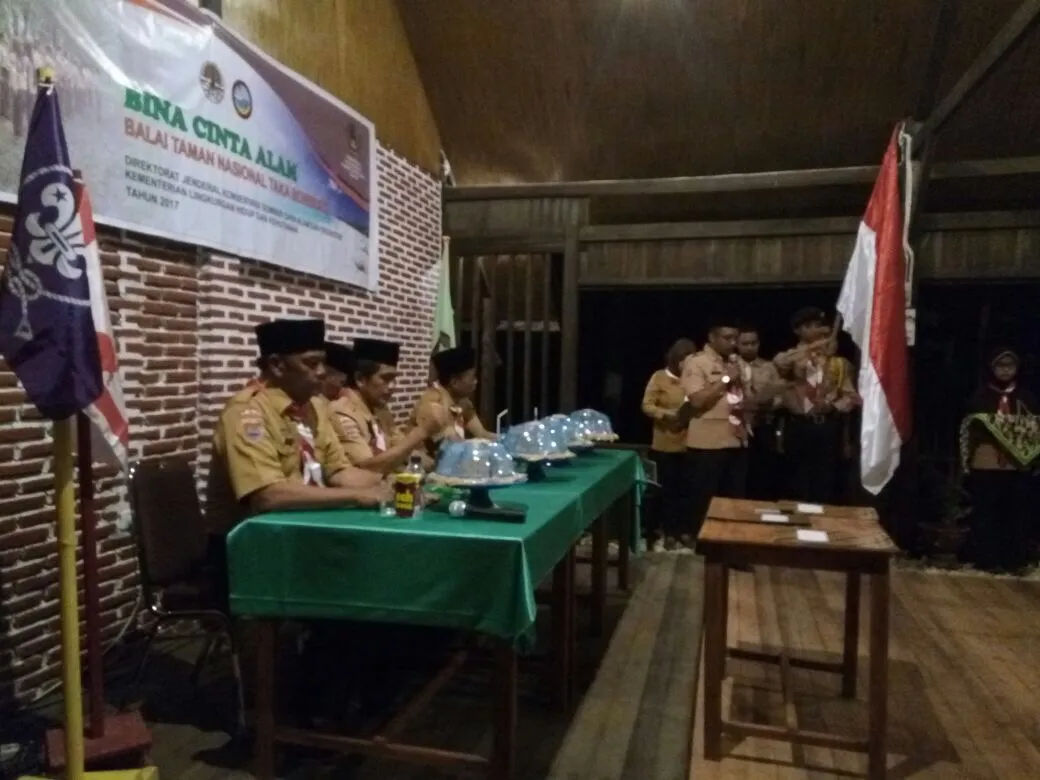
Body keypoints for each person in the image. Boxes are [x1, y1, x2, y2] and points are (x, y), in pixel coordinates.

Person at [205, 320, 386, 600]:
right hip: (249, 550)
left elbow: (338, 472)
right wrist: (358, 496)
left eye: (322, 362)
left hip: (299, 536)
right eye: (311, 363)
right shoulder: (246, 413)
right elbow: (268, 496)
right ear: (277, 365)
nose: (322, 372)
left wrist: (392, 484)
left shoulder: (314, 407)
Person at [964, 347, 1038, 573]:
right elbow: (970, 428)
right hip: (987, 461)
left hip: (1017, 464)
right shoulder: (980, 397)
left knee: (1015, 511)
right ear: (992, 368)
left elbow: (1034, 430)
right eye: (1001, 366)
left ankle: (1013, 559)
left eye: (1010, 366)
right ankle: (986, 559)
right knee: (987, 510)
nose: (1005, 370)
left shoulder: (1027, 398)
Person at [774, 307, 859, 504]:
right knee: (797, 480)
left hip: (826, 426)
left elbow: (851, 397)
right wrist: (815, 346)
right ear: (798, 330)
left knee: (824, 481)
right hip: (798, 424)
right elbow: (780, 362)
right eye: (809, 326)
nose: (816, 330)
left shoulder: (838, 363)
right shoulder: (793, 358)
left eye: (818, 326)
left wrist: (833, 406)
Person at [681, 317, 750, 548]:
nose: (733, 343)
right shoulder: (696, 362)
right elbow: (697, 400)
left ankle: (730, 546)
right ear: (712, 337)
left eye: (735, 338)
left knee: (734, 500)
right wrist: (726, 378)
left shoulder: (736, 362)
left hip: (736, 438)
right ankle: (704, 546)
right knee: (705, 500)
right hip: (708, 443)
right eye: (727, 338)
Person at [328, 337, 444, 473]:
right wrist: (421, 432)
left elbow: (402, 448)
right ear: (360, 379)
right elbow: (368, 468)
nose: (393, 386)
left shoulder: (381, 410)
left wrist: (433, 466)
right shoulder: (342, 412)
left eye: (394, 379)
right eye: (386, 379)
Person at [641, 338, 697, 551]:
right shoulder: (660, 377)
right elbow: (647, 405)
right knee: (667, 490)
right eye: (683, 360)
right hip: (665, 443)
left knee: (687, 490)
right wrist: (665, 414)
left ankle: (684, 531)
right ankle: (668, 532)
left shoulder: (694, 379)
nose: (686, 365)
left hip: (691, 442)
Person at [411, 346, 494, 458]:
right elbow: (447, 446)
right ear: (454, 382)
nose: (476, 382)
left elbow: (482, 434)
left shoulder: (463, 402)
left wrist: (506, 440)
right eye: (472, 378)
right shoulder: (433, 402)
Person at [737, 325, 788, 499]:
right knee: (739, 472)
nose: (749, 347)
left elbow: (781, 396)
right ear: (737, 344)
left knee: (763, 472)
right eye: (745, 344)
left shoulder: (769, 367)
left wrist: (767, 404)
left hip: (764, 423)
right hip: (738, 425)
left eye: (753, 343)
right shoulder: (730, 366)